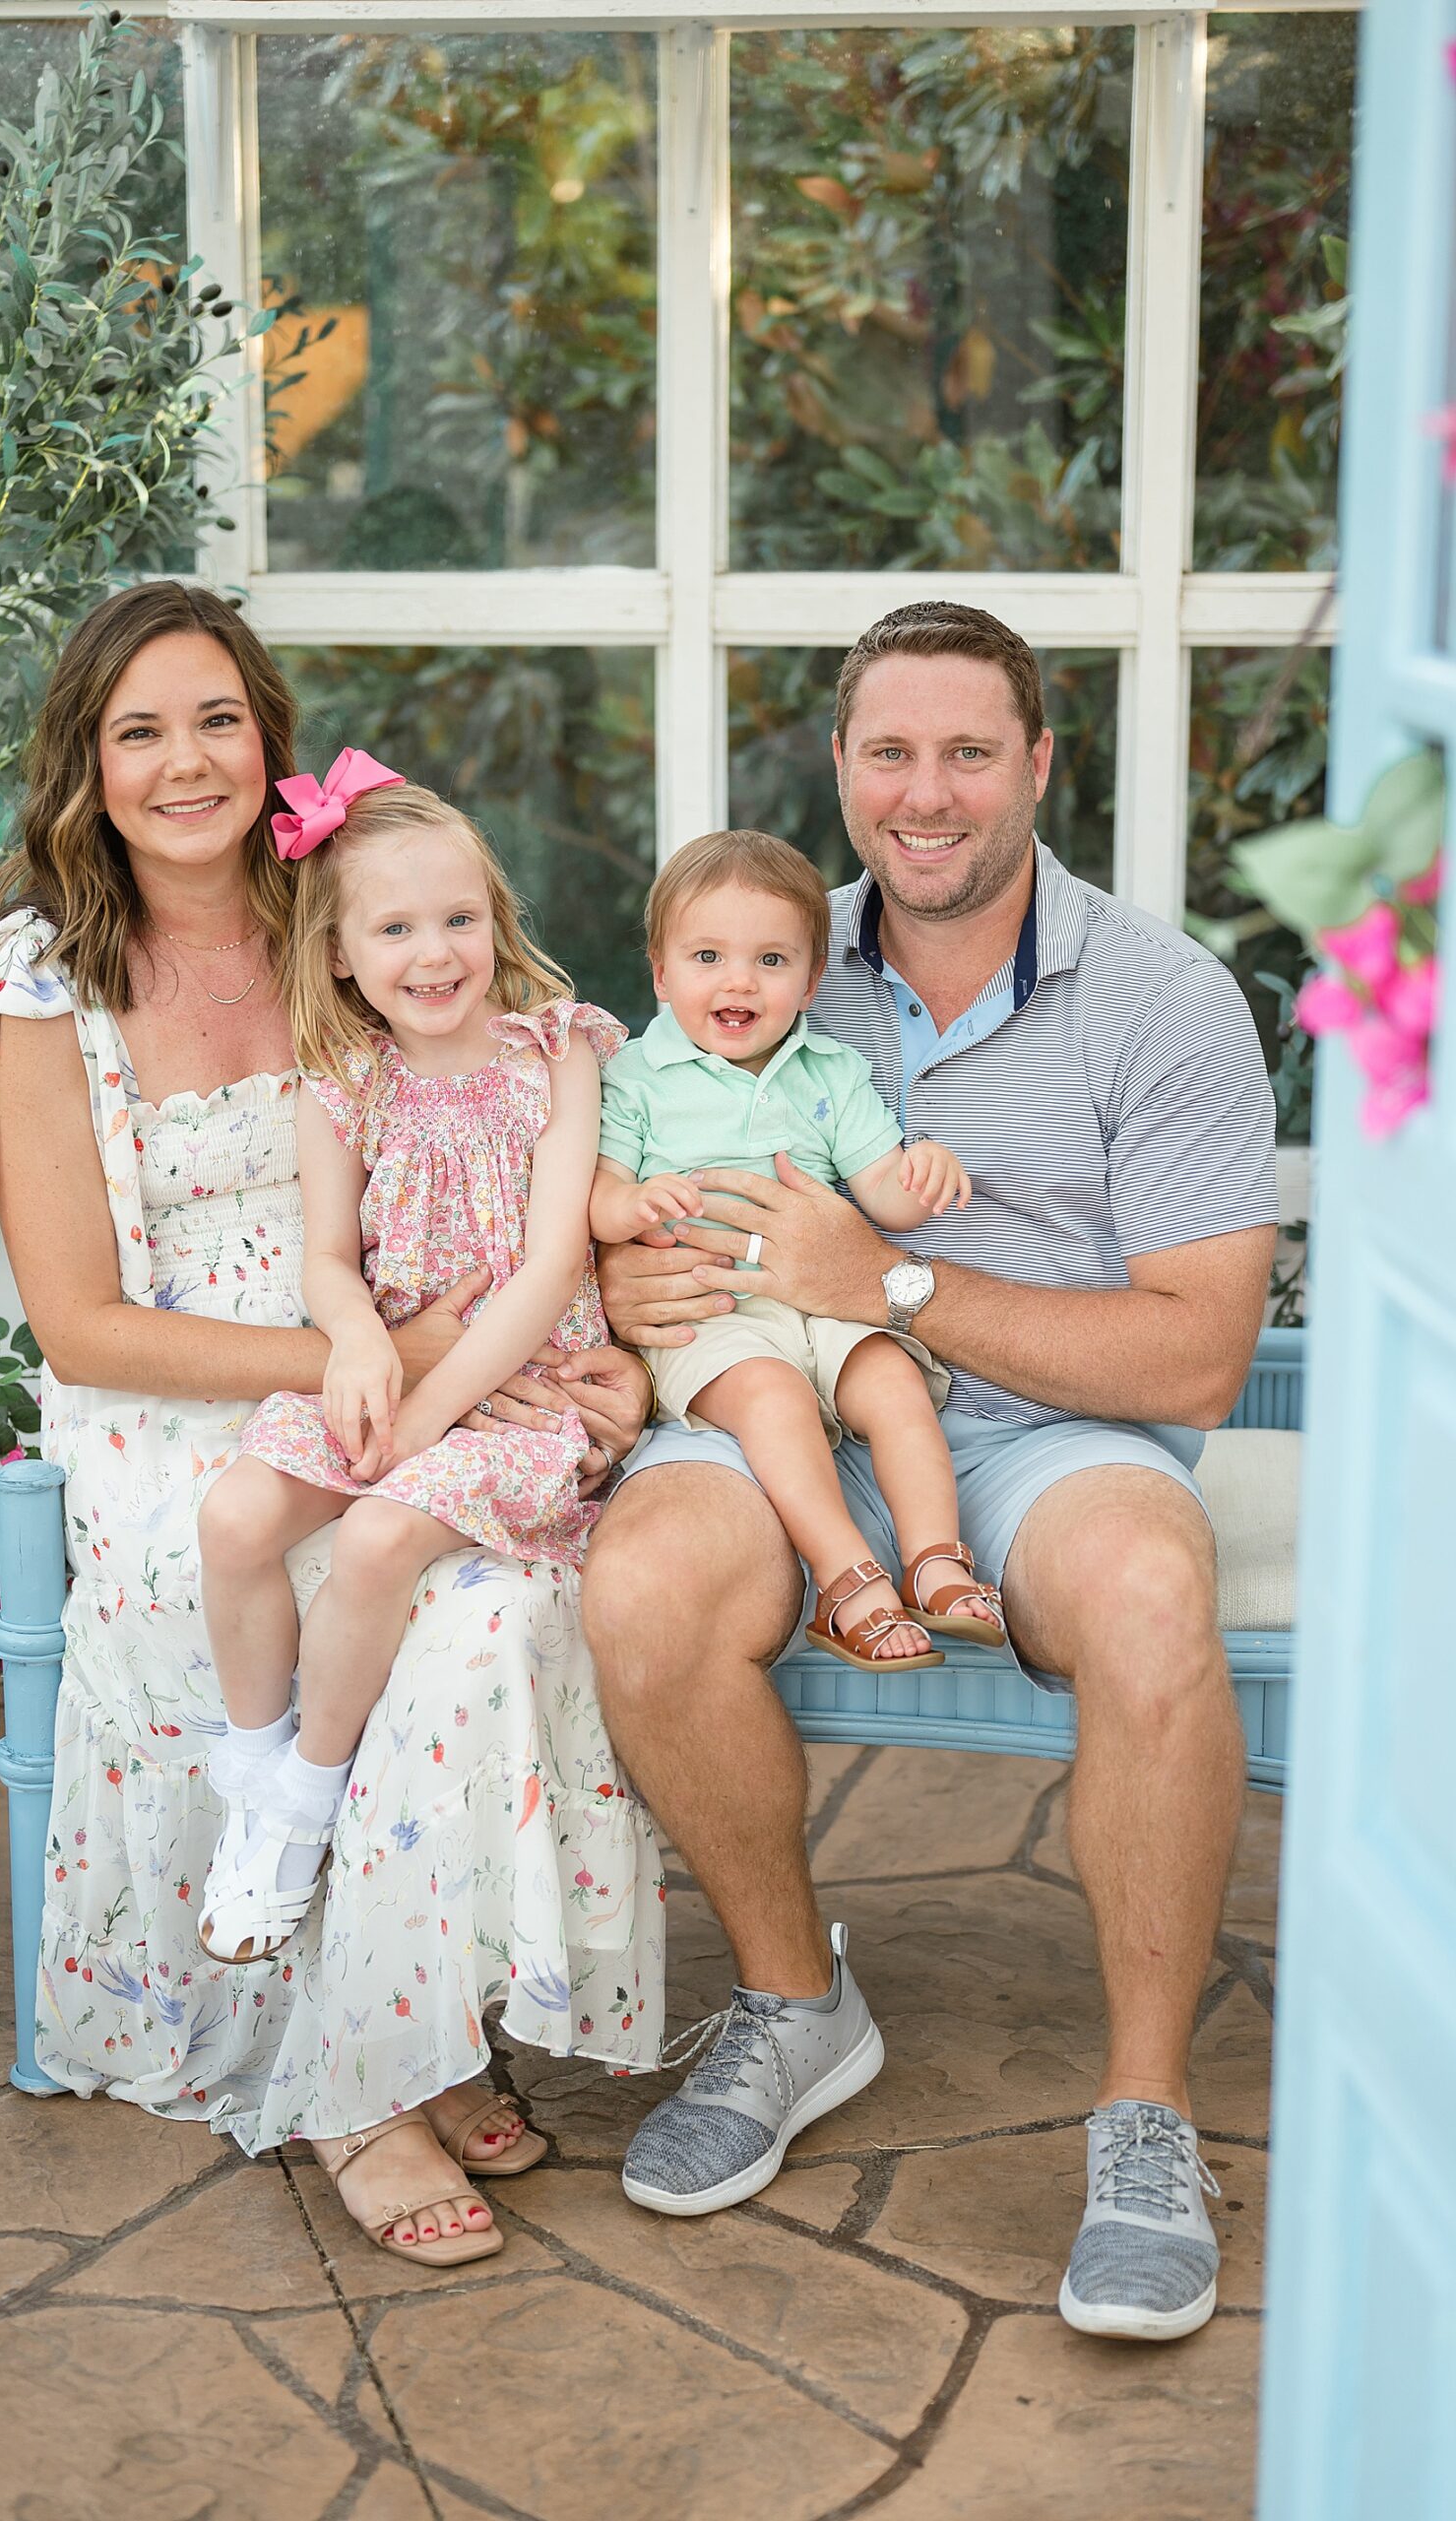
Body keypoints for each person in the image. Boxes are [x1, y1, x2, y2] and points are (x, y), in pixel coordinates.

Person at [585, 601, 1277, 2342]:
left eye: (969, 751)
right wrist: (623, 1280)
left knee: (1139, 1588)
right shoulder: (744, 948)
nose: (926, 793)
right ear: (840, 770)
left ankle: (1141, 2120)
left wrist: (885, 1286)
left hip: (1050, 1435)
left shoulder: (1162, 998)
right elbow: (619, 1173)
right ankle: (790, 1999)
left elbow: (1194, 1350)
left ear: (1038, 765)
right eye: (888, 752)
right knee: (643, 1583)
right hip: (772, 1411)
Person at [0, 580, 661, 2271]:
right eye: (138, 731)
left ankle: (424, 2013)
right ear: (87, 770)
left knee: (486, 1598)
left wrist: (602, 1349)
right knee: (269, 1559)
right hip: (183, 1397)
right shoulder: (55, 987)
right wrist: (357, 1351)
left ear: (267, 736)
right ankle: (352, 2087)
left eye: (216, 718)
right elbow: (80, 1322)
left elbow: (526, 1150)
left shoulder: (354, 905)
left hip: (431, 1360)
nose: (184, 761)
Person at [196, 760, 624, 1978]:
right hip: (394, 1371)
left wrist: (430, 1413)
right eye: (394, 928)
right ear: (340, 955)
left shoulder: (557, 1053)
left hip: (521, 1390)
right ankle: (257, 1767)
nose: (434, 954)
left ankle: (305, 1806)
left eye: (459, 920)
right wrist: (365, 1347)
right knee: (236, 1516)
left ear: (496, 922)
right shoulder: (345, 1083)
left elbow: (548, 1269)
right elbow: (332, 1261)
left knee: (382, 1535)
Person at [589, 825, 1005, 1674]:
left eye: (771, 961)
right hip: (712, 1318)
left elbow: (883, 1192)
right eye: (707, 956)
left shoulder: (831, 1072)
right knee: (774, 1398)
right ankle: (847, 1583)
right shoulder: (634, 1076)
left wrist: (921, 1169)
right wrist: (630, 1203)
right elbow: (592, 1199)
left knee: (891, 1379)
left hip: (824, 1301)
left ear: (812, 980)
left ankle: (936, 1562)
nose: (739, 980)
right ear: (662, 973)